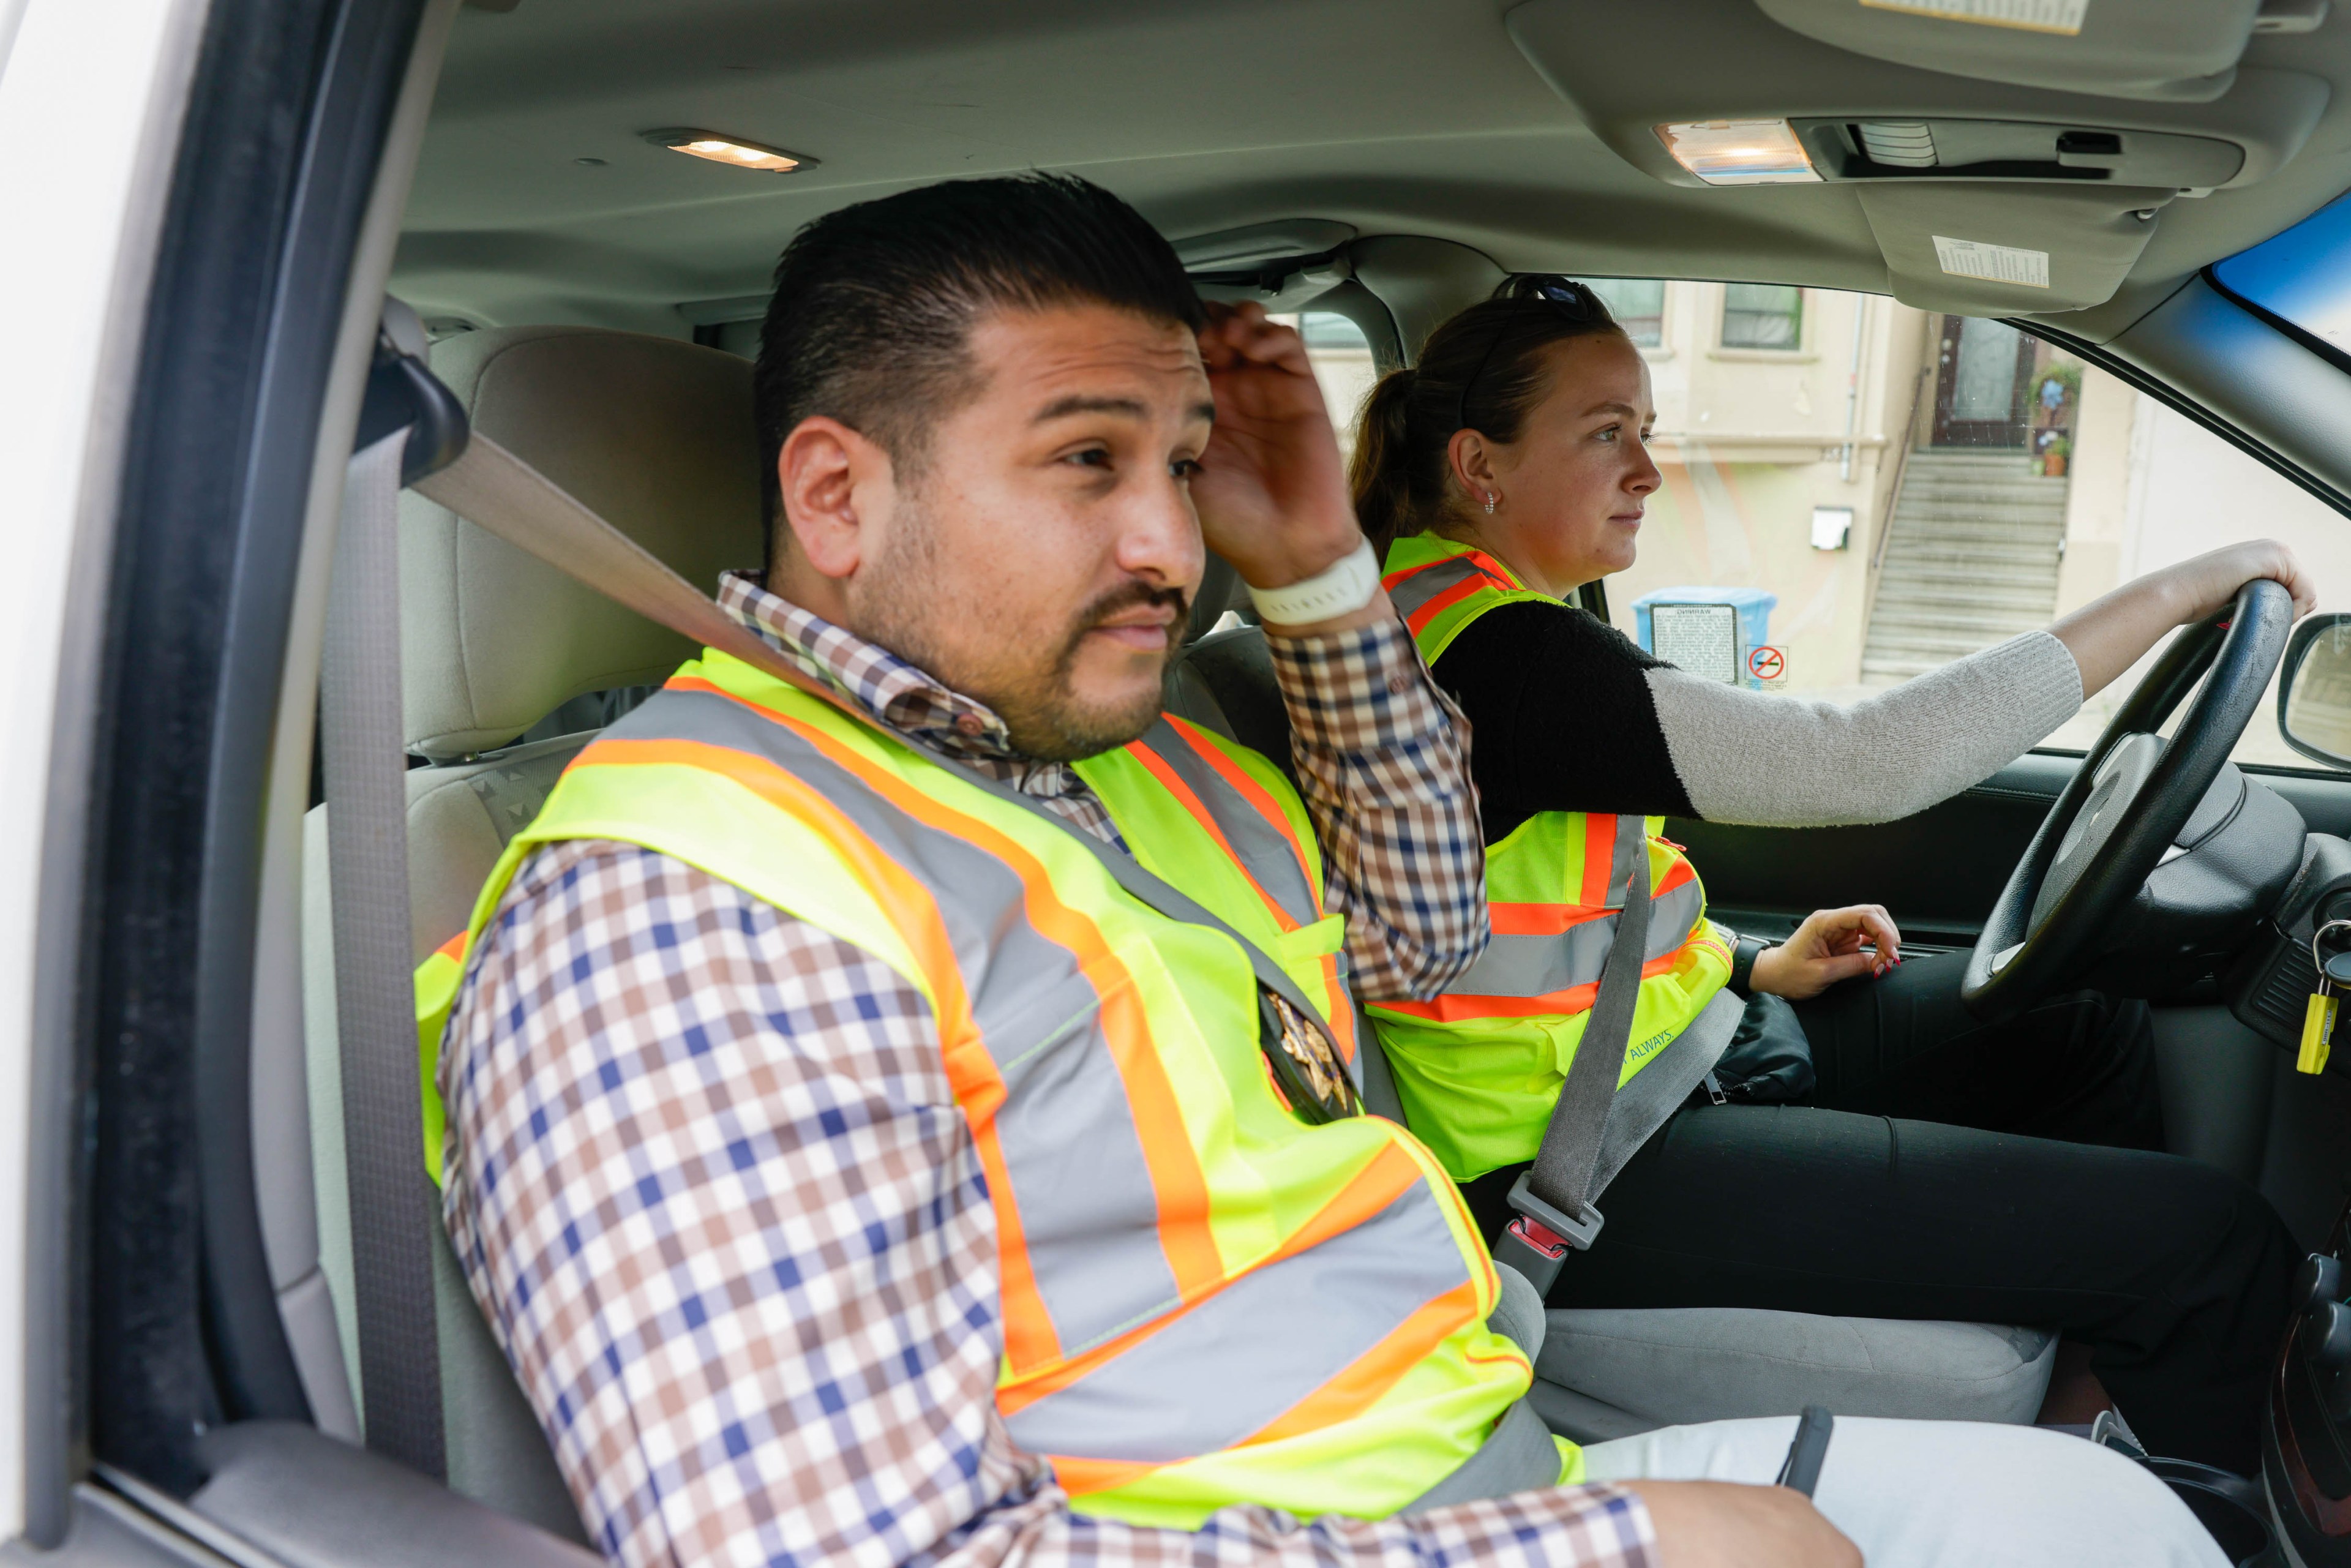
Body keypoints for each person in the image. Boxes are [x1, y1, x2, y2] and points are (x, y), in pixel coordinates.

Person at [430, 176, 2230, 1568]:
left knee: (2123, 1532)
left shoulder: (1126, 758)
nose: (1165, 539)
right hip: (1396, 1518)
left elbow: (1424, 933)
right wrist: (1592, 1546)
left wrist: (1307, 568)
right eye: (1087, 463)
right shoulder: (685, 906)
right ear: (835, 495)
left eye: (1187, 465)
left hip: (1472, 1455)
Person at [1352, 272, 2304, 1472]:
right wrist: (2177, 592)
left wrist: (1751, 960)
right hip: (1583, 1164)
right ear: (1479, 466)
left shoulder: (1478, 615)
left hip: (1672, 1055)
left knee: (2088, 1026)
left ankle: (2089, 1403)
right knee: (2214, 1246)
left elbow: (1550, 905)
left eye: (1645, 430)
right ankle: (2162, 1494)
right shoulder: (1498, 659)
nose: (1647, 469)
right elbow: (1869, 758)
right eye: (1607, 436)